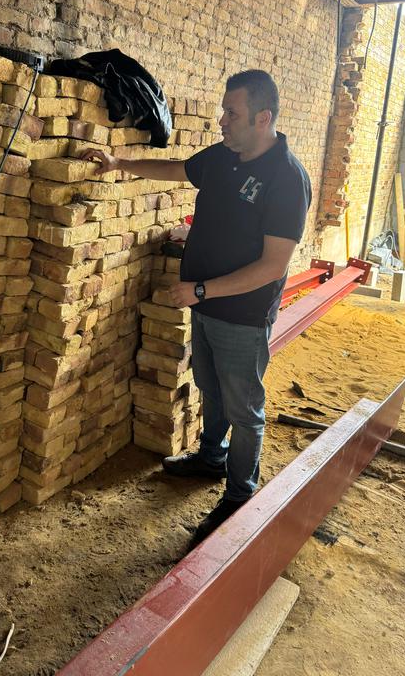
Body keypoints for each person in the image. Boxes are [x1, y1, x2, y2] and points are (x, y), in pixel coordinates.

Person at [81, 70, 311, 546]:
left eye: (232, 113)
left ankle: (240, 494)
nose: (221, 120)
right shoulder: (225, 156)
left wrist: (202, 291)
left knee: (244, 408)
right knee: (211, 386)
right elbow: (178, 169)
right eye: (224, 111)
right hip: (205, 305)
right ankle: (211, 457)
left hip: (242, 316)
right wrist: (119, 163)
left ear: (263, 118)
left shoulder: (287, 179)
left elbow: (272, 266)